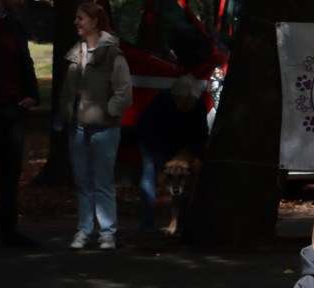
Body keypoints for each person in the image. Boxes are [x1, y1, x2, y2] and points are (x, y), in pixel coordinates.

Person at [58, 2, 132, 250]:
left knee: (102, 181)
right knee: (82, 181)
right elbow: (69, 91)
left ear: (95, 21)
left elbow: (124, 93)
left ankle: (108, 232)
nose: (76, 22)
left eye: (80, 18)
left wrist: (106, 113)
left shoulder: (112, 53)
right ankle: (84, 230)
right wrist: (68, 113)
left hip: (104, 128)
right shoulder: (75, 52)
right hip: (77, 126)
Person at [0, 0, 41, 249]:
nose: (23, 1)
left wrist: (33, 94)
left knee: (11, 173)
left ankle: (9, 231)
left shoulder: (15, 24)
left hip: (15, 108)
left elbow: (26, 59)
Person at [136, 74, 208, 233]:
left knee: (185, 180)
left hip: (180, 145)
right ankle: (147, 223)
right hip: (153, 141)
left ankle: (181, 223)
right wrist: (165, 162)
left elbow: (201, 133)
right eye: (184, 103)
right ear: (175, 98)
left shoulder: (199, 106)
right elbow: (153, 132)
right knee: (149, 175)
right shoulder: (161, 101)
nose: (188, 107)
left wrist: (197, 156)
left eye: (191, 103)